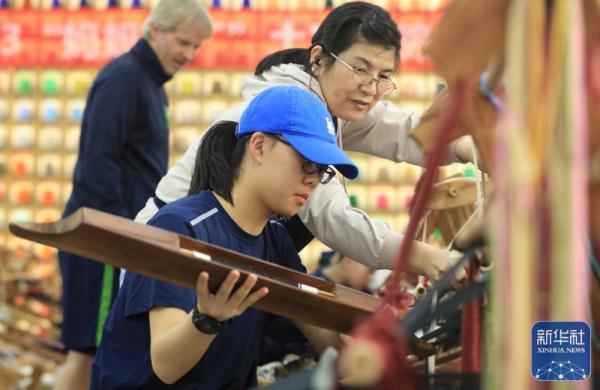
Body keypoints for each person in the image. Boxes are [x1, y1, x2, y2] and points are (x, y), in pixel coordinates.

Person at [135, 1, 475, 283]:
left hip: (219, 262)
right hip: (173, 252)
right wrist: (426, 258)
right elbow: (334, 219)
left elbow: (402, 131)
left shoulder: (329, 102)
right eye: (360, 69)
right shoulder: (294, 109)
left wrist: (463, 147)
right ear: (318, 58)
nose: (371, 88)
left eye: (384, 77)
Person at [90, 85, 358, 388]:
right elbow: (165, 365)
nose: (313, 179)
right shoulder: (181, 226)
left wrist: (372, 355)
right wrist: (207, 318)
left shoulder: (274, 240)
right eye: (307, 161)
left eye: (323, 170)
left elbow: (313, 322)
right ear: (258, 146)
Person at [55, 1, 212, 389]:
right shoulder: (125, 78)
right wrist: (123, 232)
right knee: (86, 351)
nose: (188, 55)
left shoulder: (148, 83)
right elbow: (98, 165)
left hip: (116, 234)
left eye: (195, 47)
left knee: (93, 351)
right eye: (183, 42)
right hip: (105, 238)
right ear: (155, 30)